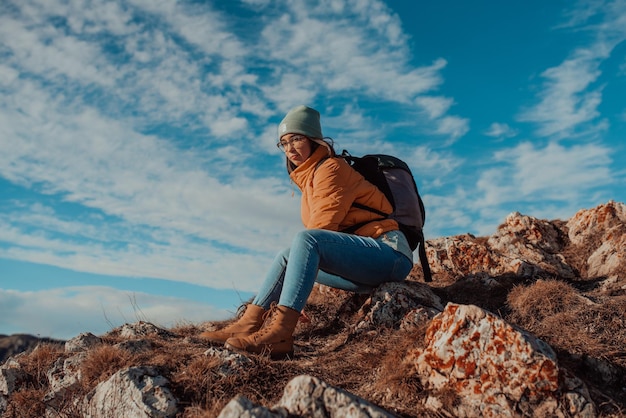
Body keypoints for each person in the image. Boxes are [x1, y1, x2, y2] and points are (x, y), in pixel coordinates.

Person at [200, 105, 414, 359]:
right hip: (364, 265)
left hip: (389, 253)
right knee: (287, 255)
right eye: (283, 143)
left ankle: (281, 332)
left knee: (305, 240)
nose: (290, 148)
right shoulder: (310, 178)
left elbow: (320, 231)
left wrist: (294, 299)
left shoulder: (331, 169)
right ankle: (249, 324)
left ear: (313, 140)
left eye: (296, 139)